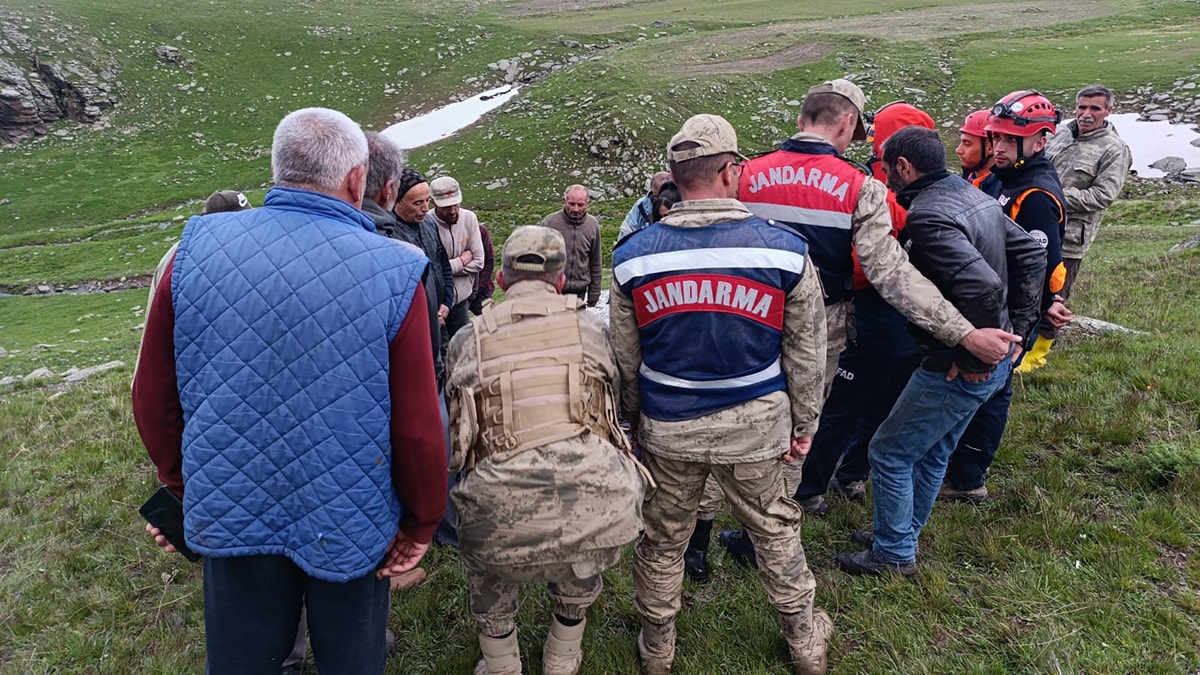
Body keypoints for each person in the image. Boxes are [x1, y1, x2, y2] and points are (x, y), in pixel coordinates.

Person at [132, 107, 448, 674]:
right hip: (351, 516)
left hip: (231, 502)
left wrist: (185, 486)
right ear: (357, 178)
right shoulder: (396, 269)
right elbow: (418, 428)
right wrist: (421, 521)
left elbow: (152, 395)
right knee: (351, 661)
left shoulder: (191, 252)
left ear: (278, 169)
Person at [717, 78, 1022, 564]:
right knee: (800, 429)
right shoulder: (859, 187)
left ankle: (723, 526)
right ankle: (769, 535)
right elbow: (893, 276)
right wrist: (963, 333)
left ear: (801, 119)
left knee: (746, 419)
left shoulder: (745, 175)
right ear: (847, 124)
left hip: (745, 321)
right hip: (819, 326)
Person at [611, 113, 833, 675]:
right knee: (775, 530)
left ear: (674, 176)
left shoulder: (633, 255)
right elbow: (807, 352)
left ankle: (657, 648)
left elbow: (625, 360)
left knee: (663, 539)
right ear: (731, 170)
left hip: (668, 425)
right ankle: (804, 642)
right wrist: (805, 425)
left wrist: (633, 422)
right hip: (756, 424)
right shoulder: (784, 250)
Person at [835, 126, 1046, 577]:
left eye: (887, 170)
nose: (885, 179)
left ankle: (893, 553)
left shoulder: (928, 216)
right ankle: (901, 532)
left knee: (889, 451)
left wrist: (974, 354)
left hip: (956, 362)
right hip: (992, 354)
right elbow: (1030, 253)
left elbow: (982, 286)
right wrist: (1018, 333)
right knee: (932, 450)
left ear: (904, 167)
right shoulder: (972, 195)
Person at [446, 225, 645, 675]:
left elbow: (459, 436)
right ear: (561, 281)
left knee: (485, 533)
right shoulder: (592, 331)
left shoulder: (467, 339)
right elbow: (616, 400)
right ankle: (562, 655)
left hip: (499, 517)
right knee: (586, 527)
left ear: (501, 280)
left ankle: (501, 664)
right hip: (595, 511)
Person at [789, 101, 934, 518]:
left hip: (872, 312)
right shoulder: (928, 192)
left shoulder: (876, 188)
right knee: (883, 402)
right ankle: (852, 473)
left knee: (844, 403)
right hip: (908, 315)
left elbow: (862, 265)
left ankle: (811, 487)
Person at [940, 90, 1075, 503]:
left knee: (990, 394)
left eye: (1009, 140)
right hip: (990, 299)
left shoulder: (1035, 196)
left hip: (1009, 312)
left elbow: (1042, 266)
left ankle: (967, 478)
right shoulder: (1006, 177)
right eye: (995, 137)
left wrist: (1025, 323)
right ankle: (962, 468)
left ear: (1040, 141)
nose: (998, 146)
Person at [1045, 84, 1132, 302]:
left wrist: (1052, 196)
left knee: (1053, 301)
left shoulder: (1115, 149)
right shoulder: (1059, 133)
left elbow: (1102, 195)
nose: (1086, 114)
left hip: (1068, 241)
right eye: (1082, 107)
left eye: (1095, 108)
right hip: (1034, 229)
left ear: (1109, 111)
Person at [390, 168, 455, 334]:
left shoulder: (429, 223)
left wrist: (446, 302)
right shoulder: (390, 235)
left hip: (440, 315)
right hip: (416, 325)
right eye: (417, 203)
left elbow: (443, 264)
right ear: (398, 202)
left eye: (427, 200)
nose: (426, 208)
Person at [427, 176, 485, 341]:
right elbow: (431, 271)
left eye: (456, 205)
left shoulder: (469, 218)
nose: (453, 211)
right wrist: (462, 261)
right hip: (437, 304)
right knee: (441, 348)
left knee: (465, 346)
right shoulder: (426, 223)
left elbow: (479, 261)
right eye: (446, 207)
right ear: (433, 203)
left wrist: (445, 269)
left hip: (462, 301)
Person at [539, 184, 602, 307]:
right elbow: (538, 259)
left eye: (580, 205)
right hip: (552, 290)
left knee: (574, 319)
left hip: (578, 292)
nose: (575, 209)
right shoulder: (549, 223)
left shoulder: (593, 225)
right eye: (571, 204)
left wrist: (594, 293)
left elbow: (595, 261)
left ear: (588, 203)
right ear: (564, 201)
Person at [957, 109, 999, 194]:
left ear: (990, 148)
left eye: (967, 144)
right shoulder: (966, 178)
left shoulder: (1001, 190)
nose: (958, 150)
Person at [619, 171, 672, 239]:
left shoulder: (679, 203)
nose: (658, 200)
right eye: (655, 196)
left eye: (662, 196)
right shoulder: (641, 205)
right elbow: (627, 230)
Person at [469, 222, 496, 315]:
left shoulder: (480, 231)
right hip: (457, 293)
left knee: (492, 320)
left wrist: (479, 287)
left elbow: (489, 261)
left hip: (481, 291)